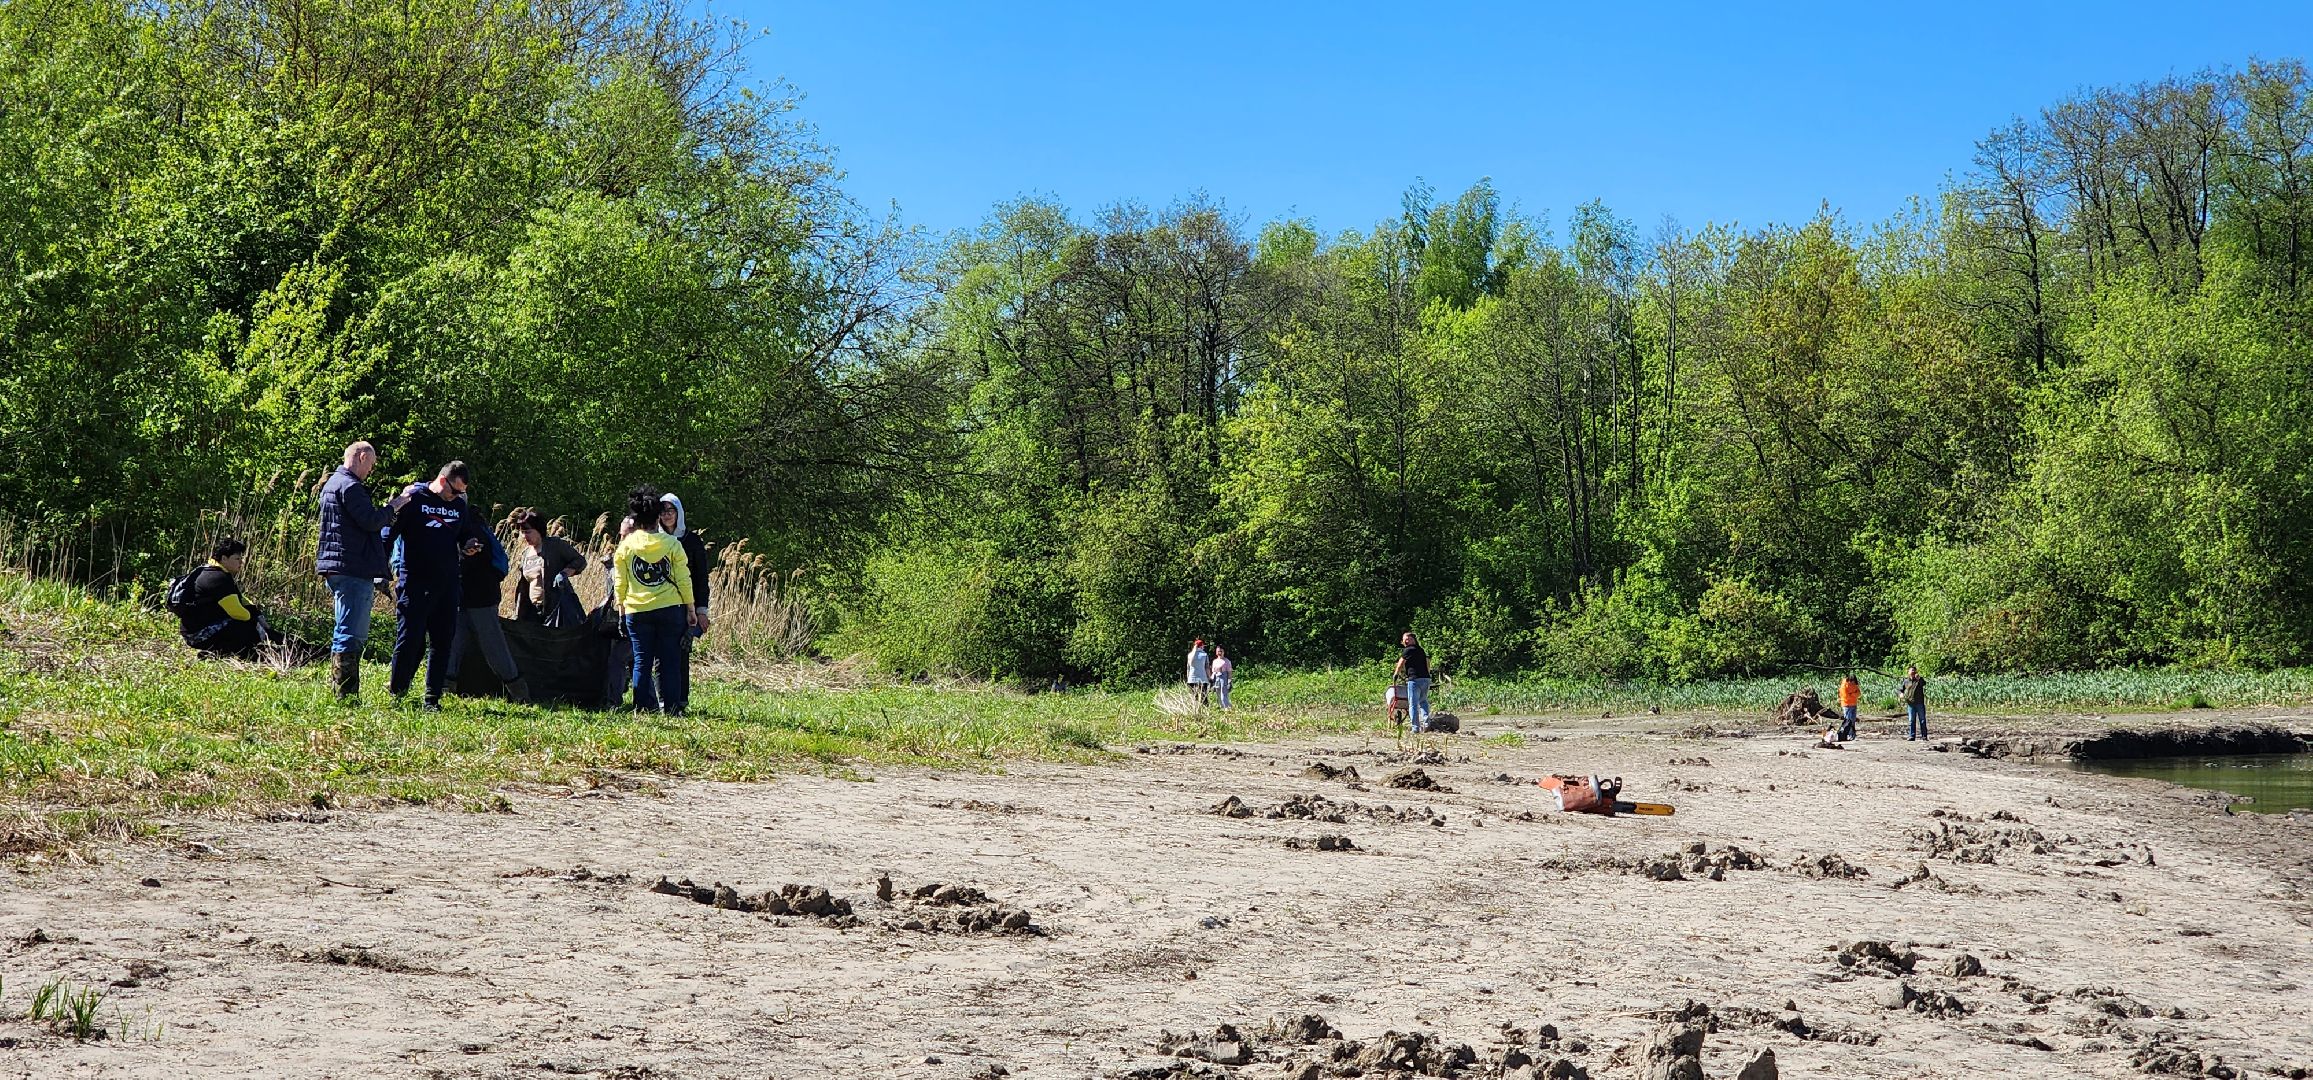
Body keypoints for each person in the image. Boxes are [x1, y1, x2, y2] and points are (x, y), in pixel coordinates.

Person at [385, 461, 486, 710]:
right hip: (416, 582)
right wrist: (379, 571)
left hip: (448, 583)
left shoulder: (458, 506)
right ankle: (398, 693)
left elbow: (464, 533)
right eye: (455, 490)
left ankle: (432, 699)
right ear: (442, 481)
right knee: (409, 639)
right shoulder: (414, 499)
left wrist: (470, 543)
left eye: (462, 492)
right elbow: (389, 534)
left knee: (442, 642)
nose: (458, 496)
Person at [314, 441, 408, 699]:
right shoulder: (350, 486)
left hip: (337, 567)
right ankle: (346, 695)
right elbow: (372, 521)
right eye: (372, 465)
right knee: (350, 634)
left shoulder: (332, 484)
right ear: (363, 457)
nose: (371, 471)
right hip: (352, 568)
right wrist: (396, 504)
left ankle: (342, 692)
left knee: (343, 629)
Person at [613, 487, 697, 714]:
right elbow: (683, 579)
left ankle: (642, 708)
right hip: (670, 608)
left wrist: (621, 610)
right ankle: (672, 708)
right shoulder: (672, 545)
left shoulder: (625, 547)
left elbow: (619, 583)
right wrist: (691, 609)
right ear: (657, 516)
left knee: (641, 661)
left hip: (636, 610)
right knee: (670, 661)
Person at [448, 519, 529, 701]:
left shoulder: (471, 528)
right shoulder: (467, 524)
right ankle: (444, 687)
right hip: (466, 596)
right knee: (453, 641)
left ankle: (519, 692)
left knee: (492, 645)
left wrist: (460, 555)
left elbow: (472, 564)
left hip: (480, 598)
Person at [176, 539, 270, 659]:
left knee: (247, 625)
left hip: (193, 630)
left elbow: (240, 599)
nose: (241, 562)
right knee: (247, 628)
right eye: (237, 559)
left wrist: (257, 614)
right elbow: (238, 613)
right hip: (198, 635)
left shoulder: (209, 570)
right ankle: (215, 653)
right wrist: (258, 624)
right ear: (224, 558)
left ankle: (223, 652)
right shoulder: (217, 578)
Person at [510, 508, 587, 627]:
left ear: (538, 529)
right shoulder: (525, 554)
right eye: (523, 532)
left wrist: (565, 573)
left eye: (528, 531)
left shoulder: (555, 545)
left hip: (555, 609)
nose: (525, 536)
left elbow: (580, 561)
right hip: (532, 612)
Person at [658, 494, 711, 638]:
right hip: (660, 607)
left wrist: (701, 611)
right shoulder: (654, 541)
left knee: (681, 652)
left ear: (678, 512)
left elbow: (701, 577)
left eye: (670, 510)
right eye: (662, 511)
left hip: (687, 606)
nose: (667, 515)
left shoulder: (692, 541)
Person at [1394, 632, 1432, 733]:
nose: (1405, 641)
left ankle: (1415, 728)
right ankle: (1426, 723)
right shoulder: (1421, 650)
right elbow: (1427, 663)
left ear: (1413, 640)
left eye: (1407, 639)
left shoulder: (1408, 650)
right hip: (1425, 679)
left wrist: (1396, 674)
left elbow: (1401, 663)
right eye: (1404, 639)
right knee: (1423, 701)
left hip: (1414, 680)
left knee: (1413, 704)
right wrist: (1428, 674)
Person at [1899, 666, 1929, 741]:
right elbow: (1899, 689)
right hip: (1910, 704)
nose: (1913, 673)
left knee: (1922, 720)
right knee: (1911, 720)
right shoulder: (1906, 681)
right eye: (1911, 671)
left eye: (1914, 671)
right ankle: (1912, 736)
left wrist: (1919, 679)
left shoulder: (1919, 680)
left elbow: (1924, 683)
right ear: (1908, 672)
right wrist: (1900, 694)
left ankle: (1924, 736)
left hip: (1919, 703)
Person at [1185, 638, 1211, 705]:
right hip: (1202, 679)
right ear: (1201, 646)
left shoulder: (1190, 655)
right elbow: (1207, 668)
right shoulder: (1204, 655)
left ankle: (1195, 711)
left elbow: (1188, 668)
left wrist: (1188, 678)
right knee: (1204, 697)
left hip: (1191, 679)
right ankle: (1205, 711)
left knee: (1194, 697)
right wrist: (1209, 677)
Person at [1837, 674, 1861, 741]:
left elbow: (1859, 693)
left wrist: (1851, 693)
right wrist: (1854, 693)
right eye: (1851, 682)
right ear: (1849, 680)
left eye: (1854, 682)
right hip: (1846, 705)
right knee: (1848, 721)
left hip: (1854, 704)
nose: (1852, 683)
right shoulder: (1844, 686)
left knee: (1853, 721)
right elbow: (1846, 697)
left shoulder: (1855, 685)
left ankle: (1852, 735)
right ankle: (1845, 734)